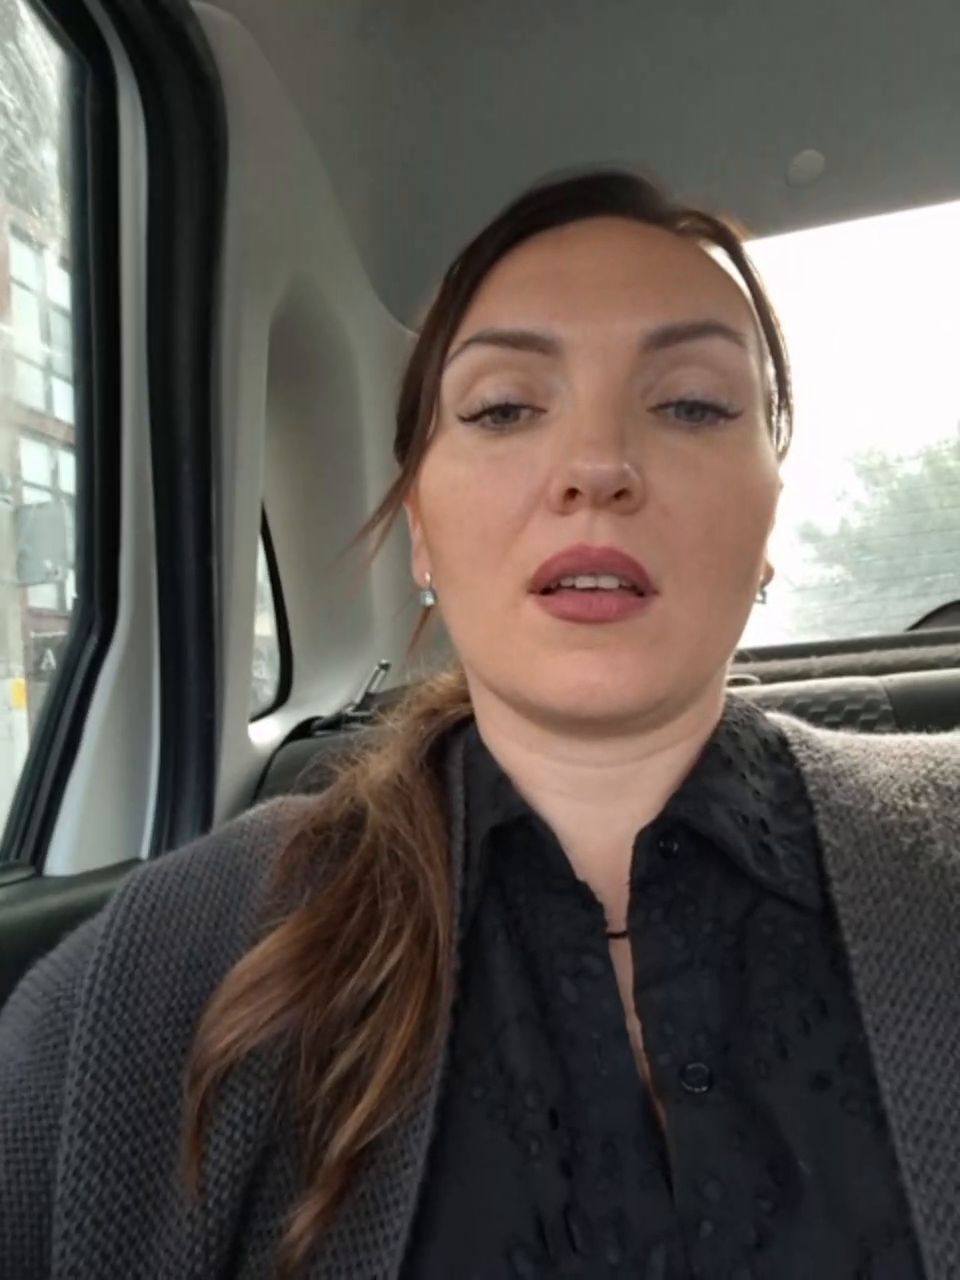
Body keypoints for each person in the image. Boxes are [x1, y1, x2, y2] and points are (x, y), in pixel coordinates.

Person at [2, 169, 959, 1280]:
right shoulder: (174, 962)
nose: (597, 468)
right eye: (504, 408)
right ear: (419, 523)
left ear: (769, 517)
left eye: (693, 403)